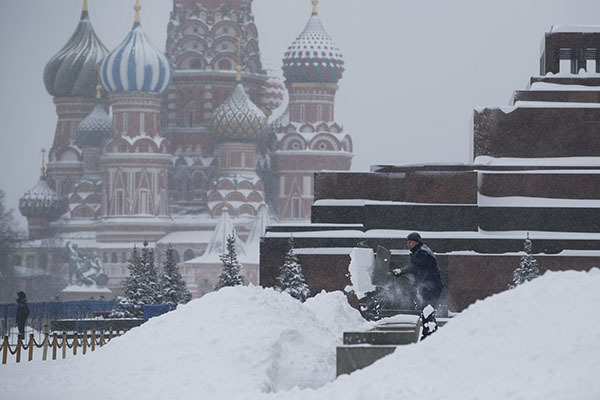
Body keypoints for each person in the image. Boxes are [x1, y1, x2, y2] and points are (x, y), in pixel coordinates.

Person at [391, 232, 443, 340]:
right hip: (431, 285)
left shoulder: (422, 252)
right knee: (427, 310)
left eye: (410, 242)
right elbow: (422, 270)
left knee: (427, 310)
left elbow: (415, 267)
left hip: (431, 287)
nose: (408, 244)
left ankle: (430, 335)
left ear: (416, 242)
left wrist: (401, 271)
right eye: (407, 242)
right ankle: (429, 334)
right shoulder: (422, 251)